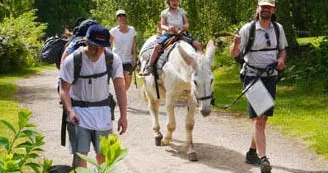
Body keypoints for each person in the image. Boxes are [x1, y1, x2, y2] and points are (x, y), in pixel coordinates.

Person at [230, 0, 287, 173]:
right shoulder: (248, 29)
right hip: (252, 76)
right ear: (258, 8)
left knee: (263, 119)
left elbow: (282, 49)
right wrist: (236, 44)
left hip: (271, 76)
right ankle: (263, 159)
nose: (266, 10)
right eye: (263, 7)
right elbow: (234, 54)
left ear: (274, 9)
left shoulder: (278, 28)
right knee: (259, 118)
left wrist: (281, 59)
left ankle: (252, 152)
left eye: (269, 7)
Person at [59, 24, 128, 168]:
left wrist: (123, 115)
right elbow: (64, 89)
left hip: (103, 115)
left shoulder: (112, 59)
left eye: (102, 47)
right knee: (80, 158)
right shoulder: (72, 60)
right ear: (86, 42)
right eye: (94, 47)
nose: (97, 52)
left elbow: (120, 89)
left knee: (104, 158)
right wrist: (70, 111)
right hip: (78, 115)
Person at [140, 0, 202, 76]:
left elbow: (186, 23)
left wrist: (185, 27)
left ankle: (202, 63)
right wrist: (168, 28)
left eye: (176, 0)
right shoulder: (165, 13)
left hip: (181, 33)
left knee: (197, 44)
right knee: (157, 47)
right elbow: (162, 25)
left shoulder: (181, 11)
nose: (175, 2)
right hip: (169, 34)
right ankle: (149, 66)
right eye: (173, 0)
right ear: (169, 1)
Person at [110, 9, 137, 91]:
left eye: (123, 16)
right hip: (116, 60)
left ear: (126, 18)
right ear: (117, 19)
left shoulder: (132, 30)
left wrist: (134, 59)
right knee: (119, 80)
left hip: (128, 60)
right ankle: (121, 97)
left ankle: (122, 94)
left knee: (128, 81)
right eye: (119, 17)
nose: (122, 18)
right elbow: (108, 44)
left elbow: (134, 46)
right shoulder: (113, 31)